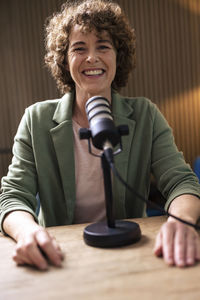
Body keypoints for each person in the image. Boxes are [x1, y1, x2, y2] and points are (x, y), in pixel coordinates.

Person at [1, 0, 200, 271]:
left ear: (118, 56)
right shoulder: (36, 120)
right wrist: (27, 232)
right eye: (79, 48)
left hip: (132, 255)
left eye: (103, 46)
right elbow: (12, 196)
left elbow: (182, 181)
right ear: (64, 59)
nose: (91, 57)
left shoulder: (145, 114)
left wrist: (180, 222)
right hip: (60, 258)